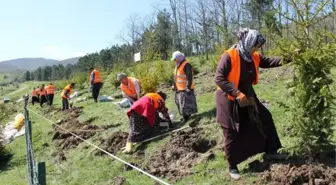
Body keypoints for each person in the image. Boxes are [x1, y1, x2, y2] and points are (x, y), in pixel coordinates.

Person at [215, 28, 291, 180]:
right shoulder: (229, 56)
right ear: (248, 43)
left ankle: (271, 151)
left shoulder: (253, 56)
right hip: (228, 97)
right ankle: (233, 167)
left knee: (264, 117)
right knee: (231, 130)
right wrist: (236, 93)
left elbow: (269, 61)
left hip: (247, 93)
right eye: (255, 46)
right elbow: (219, 78)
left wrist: (289, 58)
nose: (257, 49)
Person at [171, 51, 198, 122]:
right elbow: (176, 77)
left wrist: (188, 87)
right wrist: (174, 86)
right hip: (179, 89)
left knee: (185, 105)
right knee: (180, 104)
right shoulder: (178, 65)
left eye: (175, 59)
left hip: (185, 89)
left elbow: (189, 77)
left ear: (179, 58)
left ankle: (186, 118)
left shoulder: (186, 65)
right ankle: (185, 117)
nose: (174, 60)